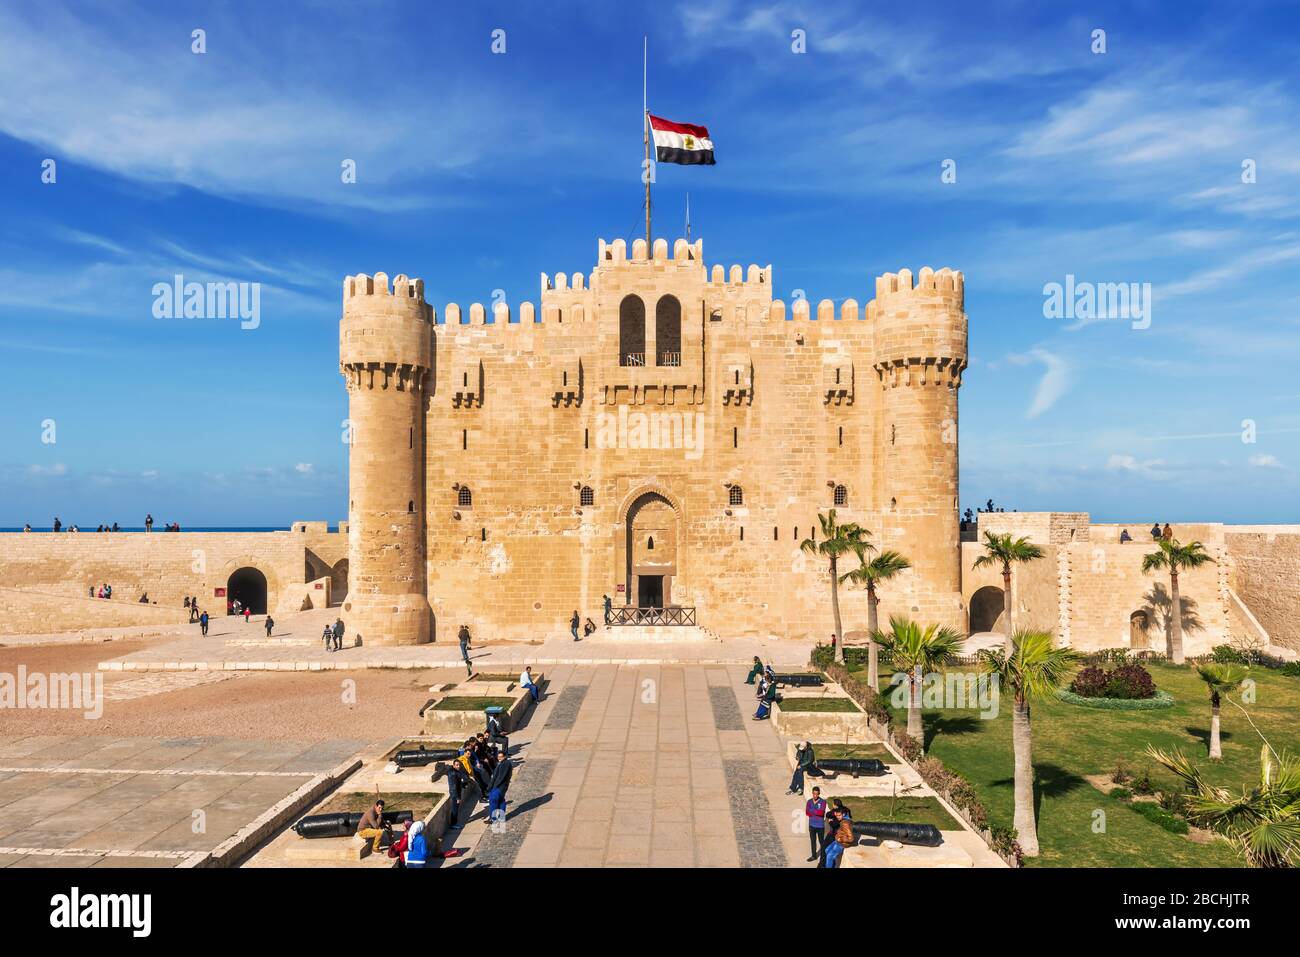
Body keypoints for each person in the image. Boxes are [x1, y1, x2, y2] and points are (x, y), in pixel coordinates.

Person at [487, 749, 513, 825]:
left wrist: (492, 786)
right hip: (502, 787)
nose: (499, 758)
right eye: (498, 757)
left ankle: (493, 819)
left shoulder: (505, 764)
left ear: (505, 757)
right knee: (501, 801)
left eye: (501, 757)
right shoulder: (504, 763)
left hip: (499, 787)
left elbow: (500, 777)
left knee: (493, 800)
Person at [805, 787, 827, 862]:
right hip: (811, 825)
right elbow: (807, 813)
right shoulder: (809, 802)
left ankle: (824, 856)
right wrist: (816, 811)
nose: (815, 796)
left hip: (820, 826)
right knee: (813, 841)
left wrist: (812, 811)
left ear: (819, 794)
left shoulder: (823, 802)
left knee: (821, 842)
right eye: (814, 794)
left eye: (817, 794)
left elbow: (821, 813)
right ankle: (814, 856)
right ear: (812, 793)